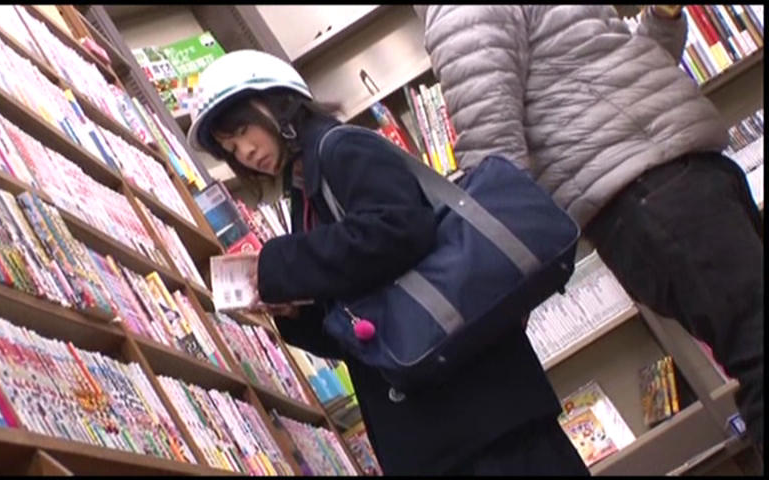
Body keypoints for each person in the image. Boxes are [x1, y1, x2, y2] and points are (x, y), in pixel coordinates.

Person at [187, 49, 590, 475]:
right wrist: (296, 312)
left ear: (279, 103)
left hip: (481, 414)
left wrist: (278, 264)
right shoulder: (305, 193)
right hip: (444, 426)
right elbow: (360, 325)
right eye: (231, 148)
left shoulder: (342, 148)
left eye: (244, 130)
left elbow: (399, 229)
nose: (245, 152)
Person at [415, 4, 764, 458]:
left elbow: (625, 79)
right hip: (650, 196)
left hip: (675, 175)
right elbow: (494, 160)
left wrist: (663, 19)